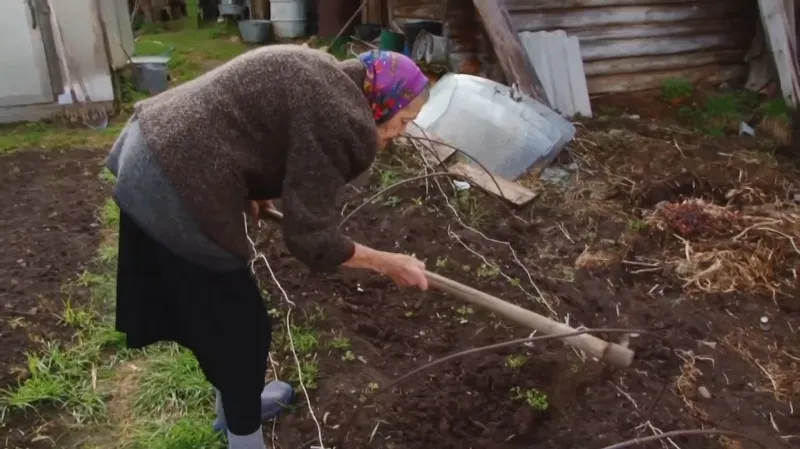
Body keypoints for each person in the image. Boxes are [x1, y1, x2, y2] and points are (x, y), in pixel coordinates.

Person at [105, 46, 430, 449]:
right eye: (403, 121)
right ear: (383, 101)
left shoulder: (328, 74)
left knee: (225, 321)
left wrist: (250, 185)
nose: (400, 134)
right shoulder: (345, 120)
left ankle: (237, 408)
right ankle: (244, 437)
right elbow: (312, 239)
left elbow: (250, 125)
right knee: (242, 332)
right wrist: (386, 262)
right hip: (174, 180)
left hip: (153, 140)